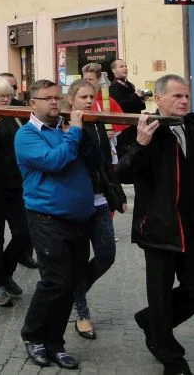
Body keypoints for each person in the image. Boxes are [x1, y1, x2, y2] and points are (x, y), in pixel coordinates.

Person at [118, 75, 194, 375]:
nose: (184, 101)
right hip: (159, 228)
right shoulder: (140, 131)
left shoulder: (191, 128)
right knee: (161, 298)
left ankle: (151, 321)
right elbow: (123, 172)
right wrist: (141, 143)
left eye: (187, 96)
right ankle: (172, 360)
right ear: (159, 100)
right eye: (177, 96)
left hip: (191, 227)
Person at [14, 79, 92, 370]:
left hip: (77, 217)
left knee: (70, 283)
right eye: (47, 98)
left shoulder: (65, 128)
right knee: (54, 281)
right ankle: (33, 336)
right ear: (33, 103)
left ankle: (55, 343)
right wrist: (74, 134)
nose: (54, 102)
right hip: (46, 217)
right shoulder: (26, 135)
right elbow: (55, 161)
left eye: (57, 97)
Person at [66, 78, 124, 341]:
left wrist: (117, 192)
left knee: (106, 255)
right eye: (83, 97)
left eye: (91, 97)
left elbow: (106, 163)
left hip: (99, 200)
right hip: (75, 203)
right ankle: (81, 313)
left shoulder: (99, 124)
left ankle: (75, 289)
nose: (89, 101)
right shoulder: (65, 125)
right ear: (72, 100)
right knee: (77, 259)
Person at [0, 76, 35, 309]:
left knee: (25, 233)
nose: (4, 100)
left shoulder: (18, 114)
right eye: (0, 96)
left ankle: (4, 271)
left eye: (8, 95)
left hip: (17, 184)